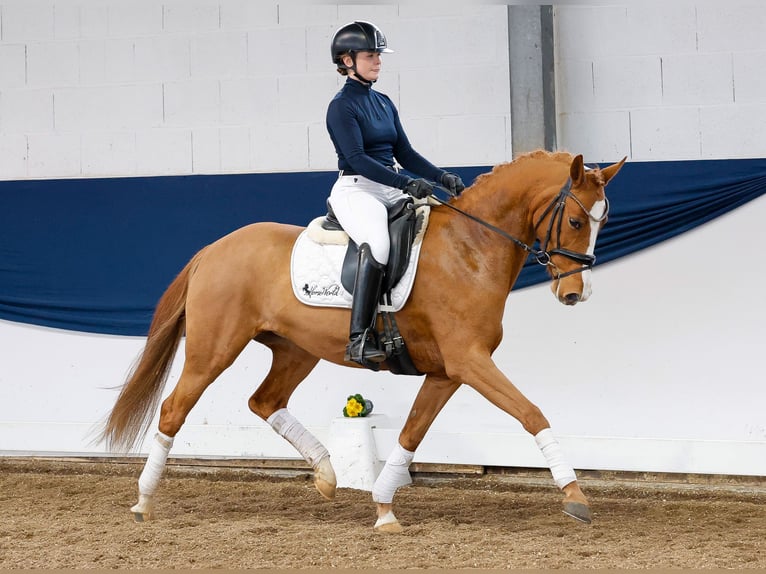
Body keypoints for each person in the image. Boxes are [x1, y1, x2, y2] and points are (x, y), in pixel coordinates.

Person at [326, 20, 465, 368]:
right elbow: (357, 158)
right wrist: (405, 184)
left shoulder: (384, 102)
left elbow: (406, 153)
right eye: (371, 55)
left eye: (379, 55)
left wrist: (441, 177)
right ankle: (358, 338)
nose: (378, 62)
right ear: (347, 60)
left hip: (389, 186)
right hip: (358, 189)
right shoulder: (341, 107)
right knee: (379, 244)